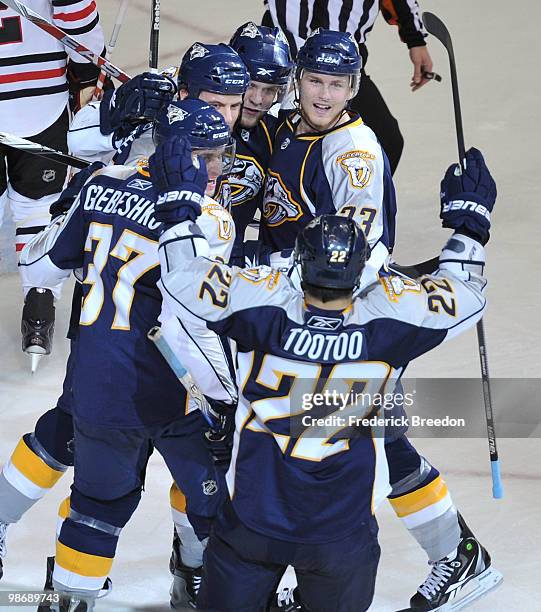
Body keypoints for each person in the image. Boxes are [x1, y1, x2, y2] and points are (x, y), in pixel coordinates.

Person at [154, 138, 501, 611]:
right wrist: (470, 224)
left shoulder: (263, 307)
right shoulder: (392, 322)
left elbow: (183, 281)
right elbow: (464, 294)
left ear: (299, 264)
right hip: (341, 537)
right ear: (360, 273)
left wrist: (178, 211)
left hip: (251, 525)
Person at [11, 100, 237, 609]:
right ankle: (210, 590)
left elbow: (38, 271)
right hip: (176, 395)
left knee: (97, 511)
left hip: (97, 387)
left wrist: (70, 206)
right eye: (211, 156)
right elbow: (193, 324)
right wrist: (225, 397)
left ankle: (71, 599)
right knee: (215, 503)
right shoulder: (212, 220)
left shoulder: (101, 184)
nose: (216, 169)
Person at [0, 0, 105, 361]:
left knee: (37, 202)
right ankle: (40, 303)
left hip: (37, 102)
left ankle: (40, 300)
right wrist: (86, 71)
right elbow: (78, 19)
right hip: (40, 105)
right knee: (37, 207)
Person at [260, 28, 396, 289]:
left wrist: (265, 265)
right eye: (315, 81)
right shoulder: (294, 114)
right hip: (284, 270)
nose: (324, 95)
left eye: (336, 84)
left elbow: (355, 258)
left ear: (352, 88)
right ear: (297, 80)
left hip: (324, 291)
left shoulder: (353, 156)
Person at [262, 0, 435, 174]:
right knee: (270, 138)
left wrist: (415, 39)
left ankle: (350, 196)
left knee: (387, 141)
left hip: (344, 68)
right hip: (285, 59)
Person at [228, 21, 293, 249]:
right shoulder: (185, 118)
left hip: (227, 267)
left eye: (269, 90)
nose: (257, 99)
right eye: (251, 85)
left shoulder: (275, 136)